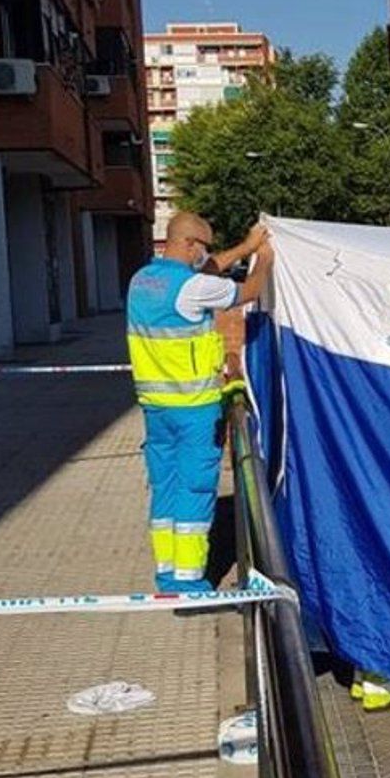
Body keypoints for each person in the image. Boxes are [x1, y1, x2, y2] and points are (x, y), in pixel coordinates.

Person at [126, 212, 274, 593]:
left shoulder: (143, 280)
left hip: (156, 409)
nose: (206, 255)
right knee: (195, 490)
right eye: (203, 247)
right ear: (189, 244)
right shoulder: (192, 288)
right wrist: (265, 259)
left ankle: (166, 573)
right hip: (194, 410)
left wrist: (245, 245)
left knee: (166, 488)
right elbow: (249, 291)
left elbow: (208, 271)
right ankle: (189, 583)